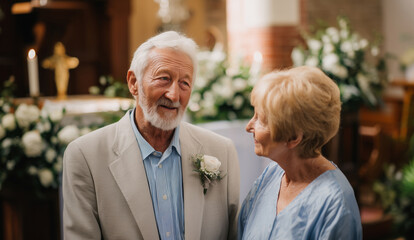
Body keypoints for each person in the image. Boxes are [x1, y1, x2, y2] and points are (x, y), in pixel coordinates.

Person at [62, 31, 240, 240]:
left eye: (184, 83)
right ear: (133, 82)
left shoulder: (221, 150)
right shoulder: (86, 156)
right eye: (164, 78)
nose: (174, 95)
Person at [238, 66, 362, 239]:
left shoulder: (336, 204)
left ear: (293, 137)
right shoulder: (271, 176)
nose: (249, 126)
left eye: (261, 120)